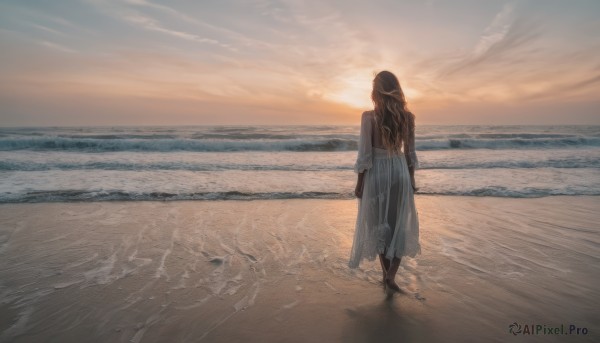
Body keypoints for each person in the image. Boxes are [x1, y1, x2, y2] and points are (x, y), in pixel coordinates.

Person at [348, 70, 421, 293]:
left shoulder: (369, 117)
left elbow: (365, 154)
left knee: (378, 225)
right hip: (398, 170)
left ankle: (386, 276)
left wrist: (360, 183)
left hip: (377, 173)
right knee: (398, 224)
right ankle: (389, 276)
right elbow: (410, 154)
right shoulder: (407, 117)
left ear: (375, 91)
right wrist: (411, 180)